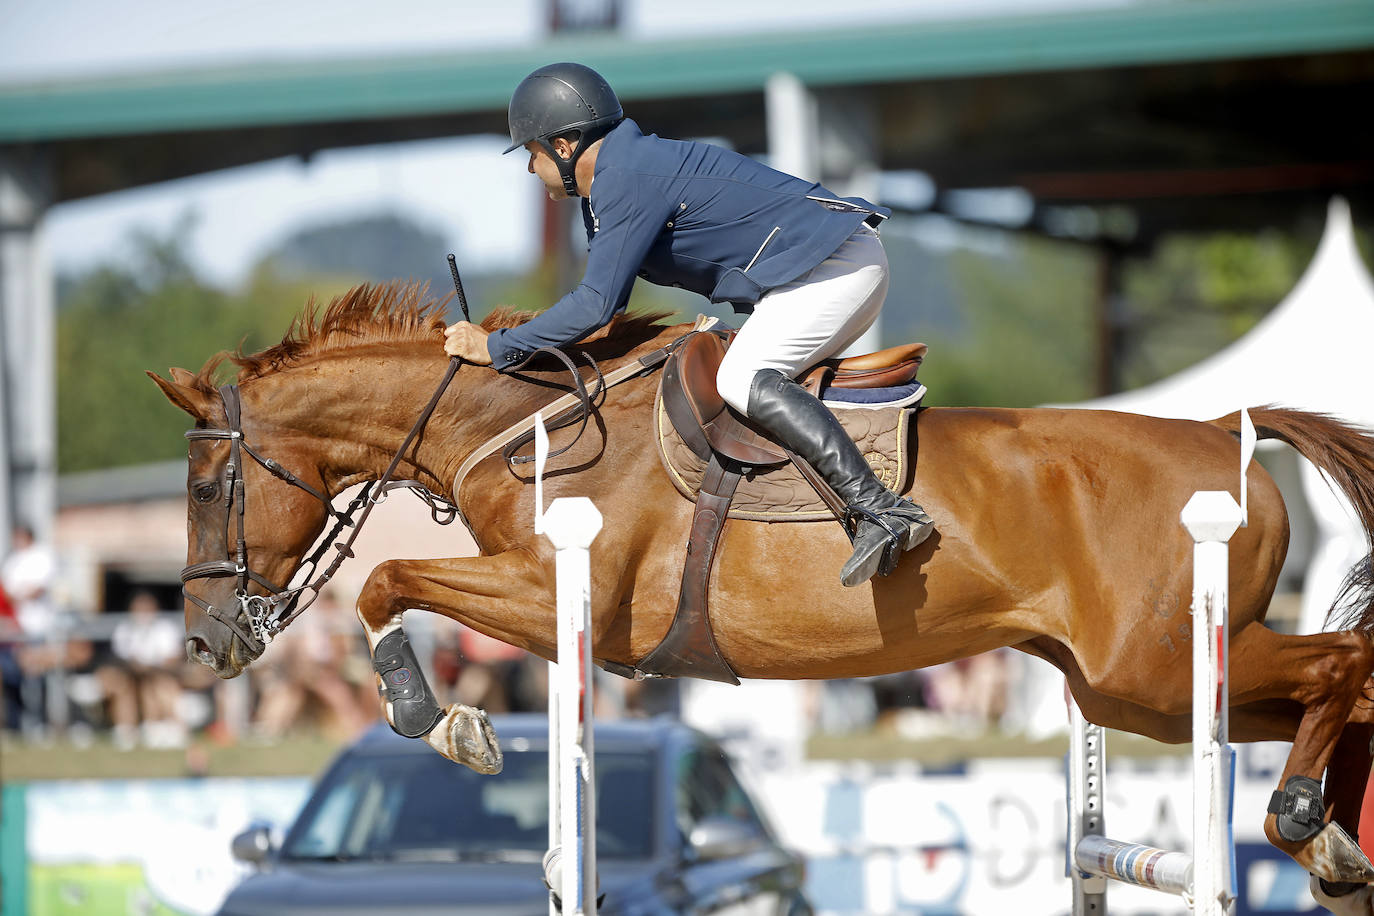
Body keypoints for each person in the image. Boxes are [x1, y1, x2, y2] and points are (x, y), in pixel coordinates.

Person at [444, 62, 934, 587]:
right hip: (823, 267)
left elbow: (594, 305)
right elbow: (597, 303)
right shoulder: (616, 178)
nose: (529, 168)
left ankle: (883, 511)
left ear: (564, 145)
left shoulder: (625, 177)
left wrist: (497, 346)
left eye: (531, 152)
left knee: (740, 380)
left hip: (835, 268)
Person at [96, 590, 188, 748]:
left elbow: (172, 658)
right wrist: (137, 667)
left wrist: (151, 667)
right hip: (130, 674)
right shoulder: (125, 629)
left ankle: (167, 727)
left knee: (160, 685)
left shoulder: (165, 628)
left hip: (160, 674)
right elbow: (120, 656)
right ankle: (126, 730)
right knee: (121, 686)